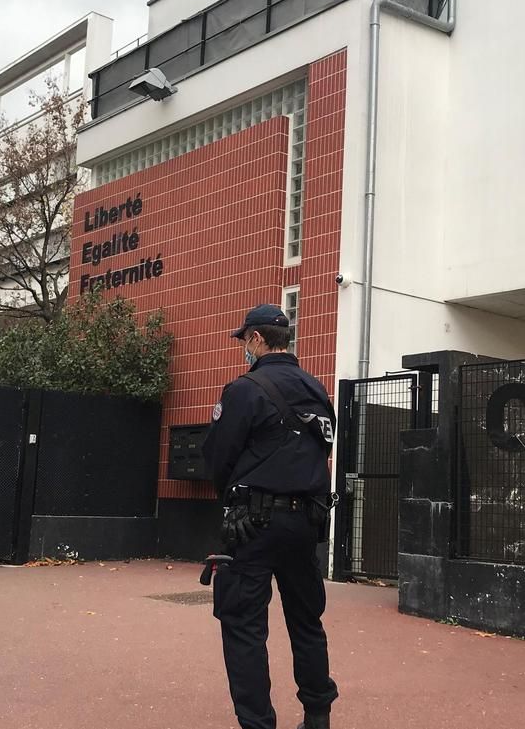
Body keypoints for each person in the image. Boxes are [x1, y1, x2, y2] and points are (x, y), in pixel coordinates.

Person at [201, 304, 340, 729]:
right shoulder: (317, 389)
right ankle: (317, 715)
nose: (244, 347)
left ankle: (258, 723)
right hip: (305, 524)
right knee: (306, 621)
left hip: (253, 524)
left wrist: (233, 498)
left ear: (258, 340)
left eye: (245, 340)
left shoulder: (244, 389)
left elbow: (218, 458)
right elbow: (323, 450)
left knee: (244, 625)